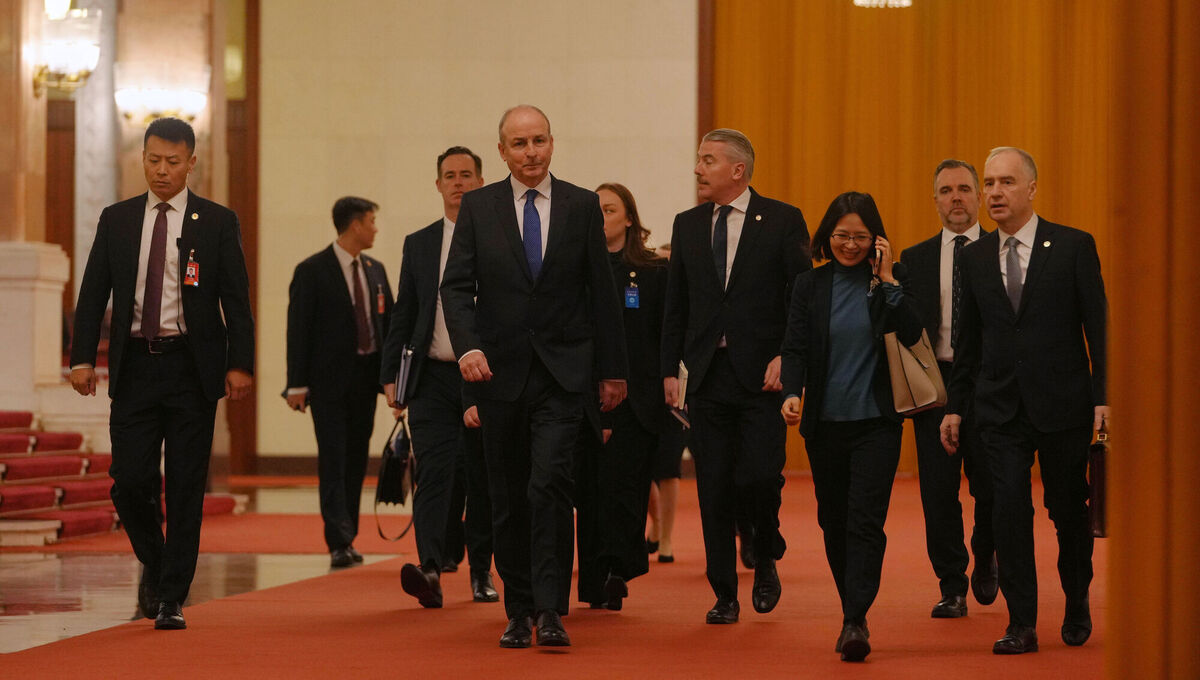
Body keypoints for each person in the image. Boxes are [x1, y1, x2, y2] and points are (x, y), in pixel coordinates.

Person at [440, 105, 628, 648]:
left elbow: (601, 291)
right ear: (502, 152)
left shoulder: (581, 205)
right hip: (499, 374)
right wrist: (467, 347)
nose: (530, 152)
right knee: (508, 494)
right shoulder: (478, 207)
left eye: (538, 141)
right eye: (518, 144)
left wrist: (613, 371)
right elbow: (456, 288)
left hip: (564, 375)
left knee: (550, 486)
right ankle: (517, 608)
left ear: (553, 143)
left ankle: (550, 610)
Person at [69, 117, 254, 630]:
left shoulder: (216, 222)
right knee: (129, 482)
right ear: (142, 159)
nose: (162, 171)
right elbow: (92, 293)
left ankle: (172, 595)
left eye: (173, 162)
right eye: (153, 160)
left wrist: (240, 364)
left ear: (192, 163)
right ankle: (157, 560)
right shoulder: (119, 219)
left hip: (191, 369)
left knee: (188, 484)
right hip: (133, 366)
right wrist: (81, 357)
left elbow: (236, 301)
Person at [941, 147, 1108, 655]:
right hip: (998, 409)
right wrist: (954, 405)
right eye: (989, 183)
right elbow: (967, 342)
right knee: (1009, 512)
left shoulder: (1075, 246)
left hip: (1063, 405)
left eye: (1006, 182)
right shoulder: (971, 258)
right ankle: (1021, 623)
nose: (994, 192)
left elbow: (1098, 329)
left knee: (1067, 511)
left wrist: (1104, 397)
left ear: (1031, 189)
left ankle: (1077, 599)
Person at [661, 128, 810, 625]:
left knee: (760, 476)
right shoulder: (687, 225)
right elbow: (675, 306)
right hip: (706, 376)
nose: (698, 169)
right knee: (714, 487)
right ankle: (724, 592)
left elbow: (800, 299)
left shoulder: (784, 221)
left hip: (762, 376)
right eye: (699, 159)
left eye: (708, 160)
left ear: (737, 170)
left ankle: (764, 552)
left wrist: (789, 359)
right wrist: (668, 370)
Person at [780, 191, 923, 661]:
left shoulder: (889, 281)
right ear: (828, 236)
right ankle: (852, 607)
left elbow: (911, 331)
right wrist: (792, 392)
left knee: (865, 522)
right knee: (833, 521)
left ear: (876, 240)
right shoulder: (810, 285)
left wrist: (886, 279)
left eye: (861, 237)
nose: (850, 245)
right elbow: (796, 345)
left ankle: (855, 618)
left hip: (877, 423)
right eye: (842, 235)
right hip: (825, 423)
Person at [380, 146, 497, 607]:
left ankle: (482, 571)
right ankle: (430, 567)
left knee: (483, 477)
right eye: (449, 175)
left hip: (484, 377)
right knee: (432, 473)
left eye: (467, 174)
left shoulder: (496, 238)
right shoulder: (421, 242)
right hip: (431, 377)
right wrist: (392, 376)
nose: (458, 182)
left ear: (481, 182)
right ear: (438, 185)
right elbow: (404, 312)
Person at [898, 159, 997, 618]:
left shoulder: (1001, 250)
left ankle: (987, 550)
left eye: (963, 189)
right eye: (945, 190)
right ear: (935, 200)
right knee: (938, 492)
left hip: (989, 384)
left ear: (978, 197)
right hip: (934, 385)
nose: (955, 197)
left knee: (992, 486)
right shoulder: (914, 259)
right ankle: (952, 584)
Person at [285, 197, 393, 568]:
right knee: (334, 458)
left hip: (366, 381)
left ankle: (350, 534)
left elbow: (389, 327)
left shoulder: (376, 270)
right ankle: (338, 539)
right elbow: (298, 331)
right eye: (372, 221)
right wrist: (296, 383)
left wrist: (395, 380)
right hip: (328, 384)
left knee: (356, 459)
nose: (376, 229)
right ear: (354, 225)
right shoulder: (312, 270)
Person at [574, 182, 667, 610]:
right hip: (585, 396)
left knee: (625, 487)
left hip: (638, 400)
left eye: (609, 210)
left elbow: (662, 337)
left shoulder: (652, 272)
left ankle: (617, 569)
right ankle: (596, 578)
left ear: (629, 218)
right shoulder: (575, 270)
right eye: (596, 210)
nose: (601, 217)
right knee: (590, 490)